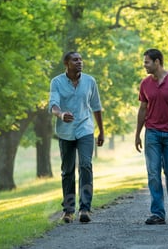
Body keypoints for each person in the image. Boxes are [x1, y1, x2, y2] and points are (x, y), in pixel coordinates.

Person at [49, 51, 105, 224]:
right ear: (66, 63)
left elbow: (96, 106)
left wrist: (101, 131)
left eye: (81, 59)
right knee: (67, 171)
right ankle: (68, 210)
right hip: (65, 131)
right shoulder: (57, 82)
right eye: (75, 60)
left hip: (85, 129)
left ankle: (85, 209)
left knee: (86, 165)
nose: (79, 62)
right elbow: (53, 105)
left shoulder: (90, 81)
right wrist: (60, 114)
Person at [135, 49, 168, 225]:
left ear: (157, 62)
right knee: (153, 173)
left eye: (147, 62)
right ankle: (158, 213)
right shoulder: (145, 84)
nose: (145, 65)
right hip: (152, 133)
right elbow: (143, 109)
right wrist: (137, 134)